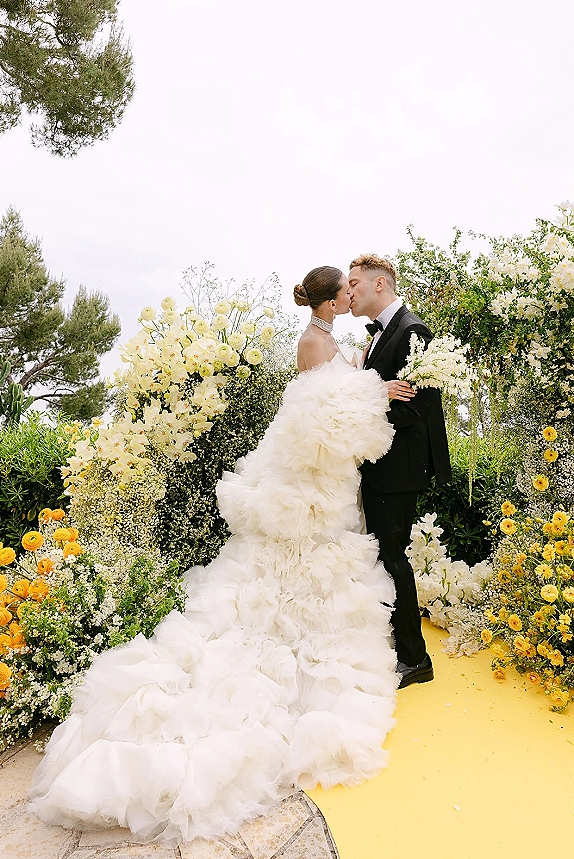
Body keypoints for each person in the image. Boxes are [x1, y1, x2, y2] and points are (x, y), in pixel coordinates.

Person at [30, 266, 405, 846]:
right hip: (309, 476)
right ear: (332, 299)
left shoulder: (331, 340)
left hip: (327, 485)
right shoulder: (313, 342)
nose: (353, 296)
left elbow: (335, 400)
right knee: (288, 573)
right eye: (347, 291)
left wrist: (366, 386)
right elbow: (313, 420)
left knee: (320, 573)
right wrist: (375, 392)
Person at [348, 254, 452, 688]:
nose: (348, 292)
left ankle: (415, 659)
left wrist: (372, 400)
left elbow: (420, 410)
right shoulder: (376, 338)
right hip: (378, 468)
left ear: (379, 285)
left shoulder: (413, 331)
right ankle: (399, 645)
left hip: (397, 470)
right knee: (384, 558)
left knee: (394, 559)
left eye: (354, 283)